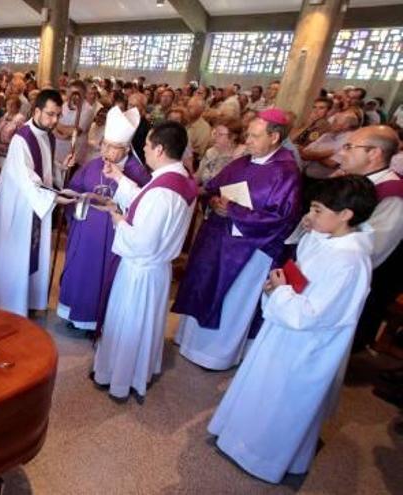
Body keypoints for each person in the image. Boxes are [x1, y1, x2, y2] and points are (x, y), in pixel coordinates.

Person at [208, 176, 378, 484]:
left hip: (305, 346)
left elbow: (314, 315)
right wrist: (280, 285)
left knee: (280, 401)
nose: (309, 217)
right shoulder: (326, 238)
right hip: (283, 329)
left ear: (345, 215)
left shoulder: (349, 261)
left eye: (317, 210)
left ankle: (261, 457)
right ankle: (240, 438)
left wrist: (281, 291)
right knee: (261, 388)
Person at [173, 109, 302, 371]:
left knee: (231, 298)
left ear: (274, 137)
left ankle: (214, 354)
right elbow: (212, 189)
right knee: (203, 285)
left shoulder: (286, 173)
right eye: (247, 134)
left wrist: (232, 210)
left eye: (254, 136)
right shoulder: (243, 162)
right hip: (217, 239)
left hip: (248, 250)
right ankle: (187, 341)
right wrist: (215, 201)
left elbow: (281, 218)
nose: (248, 140)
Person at [90, 122, 197, 401]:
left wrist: (118, 220)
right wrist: (119, 178)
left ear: (160, 149)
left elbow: (142, 240)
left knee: (129, 323)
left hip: (140, 270)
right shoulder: (179, 179)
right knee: (144, 324)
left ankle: (119, 377)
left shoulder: (163, 190)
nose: (145, 150)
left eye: (147, 146)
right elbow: (143, 201)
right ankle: (138, 371)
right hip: (157, 270)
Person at [0, 89, 78, 316]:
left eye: (58, 115)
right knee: (17, 256)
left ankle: (29, 302)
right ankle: (11, 306)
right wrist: (53, 197)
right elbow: (26, 177)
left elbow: (44, 170)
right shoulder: (22, 138)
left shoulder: (47, 135)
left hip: (36, 205)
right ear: (37, 110)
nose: (54, 120)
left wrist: (61, 166)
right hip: (20, 208)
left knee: (33, 254)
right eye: (50, 114)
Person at [56, 107, 151, 331]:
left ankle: (93, 321)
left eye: (113, 147)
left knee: (98, 277)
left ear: (127, 148)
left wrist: (109, 203)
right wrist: (68, 190)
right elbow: (74, 188)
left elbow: (141, 207)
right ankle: (71, 313)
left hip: (109, 240)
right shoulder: (94, 164)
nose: (106, 151)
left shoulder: (137, 172)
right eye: (104, 144)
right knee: (78, 272)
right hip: (83, 231)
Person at [334, 126, 403, 352]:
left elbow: (373, 249)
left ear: (374, 154)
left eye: (349, 147)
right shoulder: (353, 180)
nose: (341, 153)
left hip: (356, 281)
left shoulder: (393, 192)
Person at [195, 117, 246, 186]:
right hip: (204, 193)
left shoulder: (241, 155)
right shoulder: (210, 152)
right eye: (215, 133)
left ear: (233, 137)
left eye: (220, 134)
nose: (215, 137)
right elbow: (198, 177)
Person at [0, 97, 27, 167]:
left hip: (10, 154)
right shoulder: (4, 117)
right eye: (8, 104)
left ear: (18, 107)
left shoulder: (20, 119)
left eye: (12, 105)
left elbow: (20, 139)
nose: (10, 107)